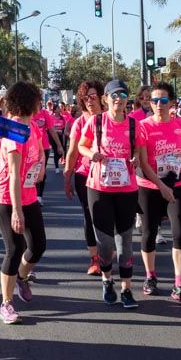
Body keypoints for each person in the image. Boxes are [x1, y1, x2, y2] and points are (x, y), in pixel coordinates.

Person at [135, 83, 181, 305]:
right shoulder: (143, 127)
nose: (158, 105)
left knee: (180, 233)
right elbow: (144, 164)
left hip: (175, 186)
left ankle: (179, 283)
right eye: (154, 101)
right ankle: (150, 277)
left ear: (172, 103)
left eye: (163, 101)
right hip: (148, 186)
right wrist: (161, 186)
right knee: (148, 233)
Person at [79, 79, 141, 309]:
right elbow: (81, 146)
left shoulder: (135, 125)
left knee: (125, 242)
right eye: (114, 95)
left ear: (127, 99)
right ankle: (107, 280)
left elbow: (139, 154)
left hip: (126, 189)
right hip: (99, 188)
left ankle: (126, 289)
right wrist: (91, 153)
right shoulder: (96, 122)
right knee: (105, 243)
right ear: (106, 99)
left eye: (122, 95)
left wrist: (136, 160)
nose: (118, 99)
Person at [0, 82, 47, 324]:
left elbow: (41, 152)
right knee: (14, 250)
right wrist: (16, 211)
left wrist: (41, 165)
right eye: (37, 99)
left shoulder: (32, 125)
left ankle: (22, 277)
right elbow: (14, 174)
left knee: (38, 246)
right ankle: (6, 303)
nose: (40, 104)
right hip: (7, 199)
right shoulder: (14, 131)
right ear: (28, 102)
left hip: (29, 194)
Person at [64, 81, 105, 275]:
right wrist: (67, 178)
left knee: (109, 216)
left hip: (111, 176)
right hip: (85, 175)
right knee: (90, 216)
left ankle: (109, 252)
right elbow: (72, 152)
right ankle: (95, 259)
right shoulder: (79, 122)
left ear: (102, 97)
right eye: (85, 97)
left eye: (93, 96)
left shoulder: (112, 118)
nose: (89, 100)